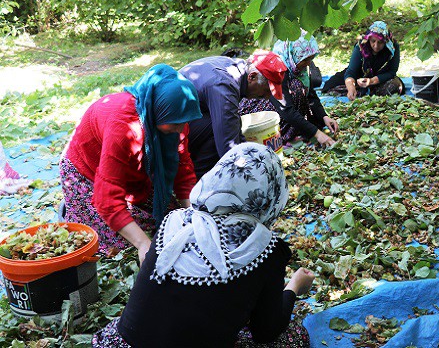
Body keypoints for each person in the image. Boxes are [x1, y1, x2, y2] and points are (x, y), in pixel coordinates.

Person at [92, 143, 315, 348]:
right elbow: (267, 331)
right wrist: (293, 287)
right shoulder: (266, 249)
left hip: (122, 343)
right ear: (271, 196)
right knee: (293, 336)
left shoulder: (175, 221)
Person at [60, 64, 202, 263]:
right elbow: (107, 201)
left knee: (172, 221)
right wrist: (143, 244)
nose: (181, 129)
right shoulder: (124, 129)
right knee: (119, 248)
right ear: (157, 111)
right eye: (176, 123)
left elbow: (183, 169)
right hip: (86, 172)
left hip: (130, 169)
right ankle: (75, 207)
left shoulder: (173, 122)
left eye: (184, 122)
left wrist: (193, 214)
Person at [179, 51, 287, 179]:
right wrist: (251, 176)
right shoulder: (224, 86)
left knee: (230, 122)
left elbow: (233, 126)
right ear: (252, 77)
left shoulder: (236, 70)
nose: (267, 97)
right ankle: (200, 183)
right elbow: (228, 147)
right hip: (168, 132)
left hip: (185, 119)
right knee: (218, 133)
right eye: (266, 90)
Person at [239, 33, 339, 147]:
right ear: (293, 54)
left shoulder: (298, 68)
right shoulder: (277, 69)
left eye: (311, 59)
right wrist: (317, 134)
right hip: (259, 108)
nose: (309, 64)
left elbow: (310, 94)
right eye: (306, 60)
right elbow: (286, 109)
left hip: (279, 106)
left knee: (299, 86)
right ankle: (281, 135)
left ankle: (292, 131)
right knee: (297, 88)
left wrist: (324, 117)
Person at [321, 21, 404, 100]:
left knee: (395, 86)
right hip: (359, 76)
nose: (376, 46)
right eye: (373, 41)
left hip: (380, 78)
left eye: (380, 42)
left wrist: (371, 81)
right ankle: (360, 91)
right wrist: (351, 88)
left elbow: (392, 72)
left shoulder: (393, 47)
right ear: (369, 39)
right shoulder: (361, 46)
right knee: (331, 86)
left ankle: (368, 91)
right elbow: (351, 71)